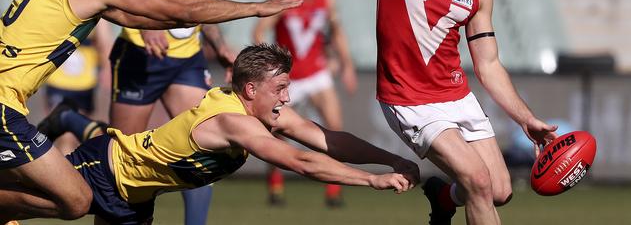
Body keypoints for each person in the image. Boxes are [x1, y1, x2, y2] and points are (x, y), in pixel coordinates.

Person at [0, 0, 299, 223]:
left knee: (33, 182)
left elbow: (132, 16)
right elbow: (180, 10)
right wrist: (254, 7)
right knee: (76, 201)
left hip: (9, 103)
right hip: (4, 105)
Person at [289, 0, 558, 225]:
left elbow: (488, 65)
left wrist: (525, 119)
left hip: (456, 96)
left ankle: (443, 198)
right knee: (479, 181)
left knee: (499, 190)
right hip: (410, 101)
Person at [36, 44, 419, 224]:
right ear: (251, 90)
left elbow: (327, 139)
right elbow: (301, 161)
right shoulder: (234, 122)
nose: (287, 97)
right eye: (281, 88)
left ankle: (67, 120)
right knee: (34, 206)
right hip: (104, 168)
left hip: (136, 196)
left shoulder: (260, 110)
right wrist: (372, 179)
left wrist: (392, 159)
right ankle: (66, 123)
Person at [110, 0, 242, 223]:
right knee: (122, 154)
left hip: (186, 57)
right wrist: (146, 20)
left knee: (202, 145)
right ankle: (71, 122)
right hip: (141, 53)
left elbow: (202, 4)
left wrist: (221, 47)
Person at [253, 0, 357, 207]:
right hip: (288, 78)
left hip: (317, 74)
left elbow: (337, 32)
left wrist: (347, 65)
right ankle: (276, 185)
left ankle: (334, 190)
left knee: (334, 128)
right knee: (276, 132)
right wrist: (269, 66)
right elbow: (259, 31)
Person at [43, 19, 113, 154]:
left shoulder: (97, 12)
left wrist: (106, 69)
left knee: (78, 136)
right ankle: (66, 172)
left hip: (84, 85)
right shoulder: (58, 8)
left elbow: (105, 43)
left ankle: (73, 170)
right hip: (58, 82)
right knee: (65, 136)